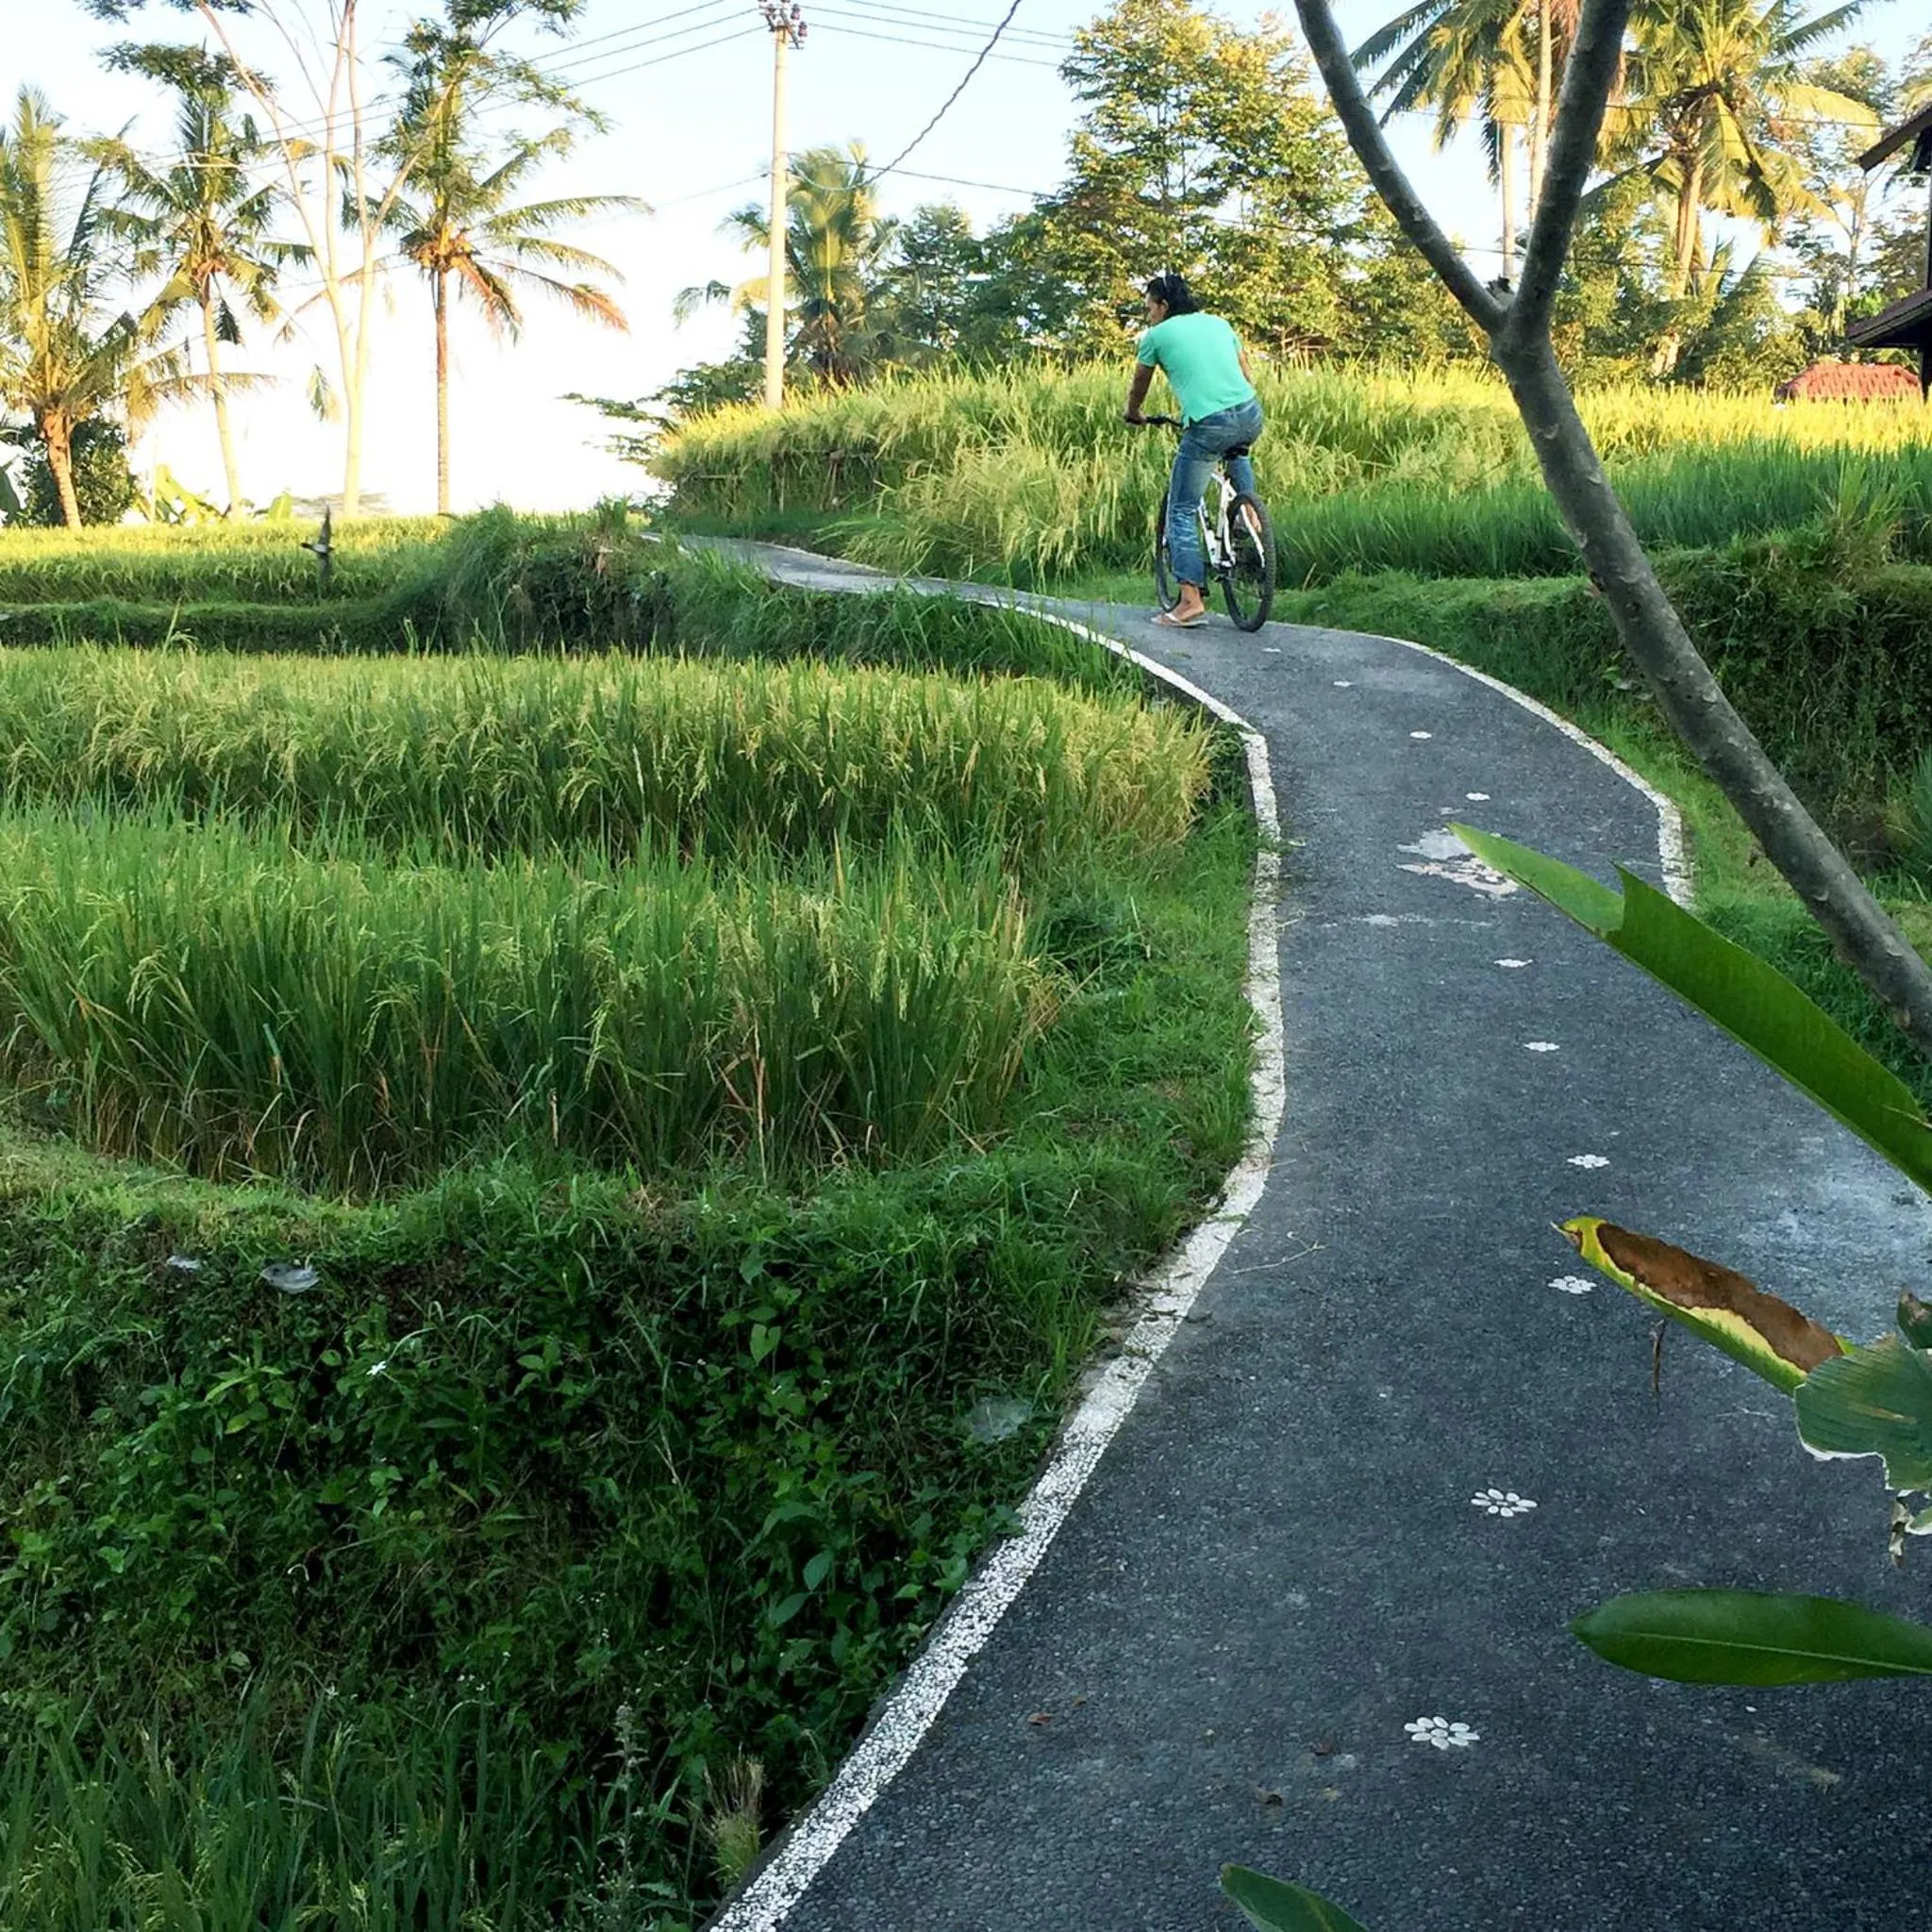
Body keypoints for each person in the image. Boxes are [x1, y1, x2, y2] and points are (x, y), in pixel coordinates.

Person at [1124, 273, 1263, 628]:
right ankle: (1248, 516)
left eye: (1149, 309)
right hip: (1249, 412)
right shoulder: (1218, 323)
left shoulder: (1155, 336)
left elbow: (1141, 382)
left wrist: (1134, 412)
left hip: (1207, 423)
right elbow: (1246, 373)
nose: (1148, 316)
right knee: (1238, 453)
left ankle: (1189, 602)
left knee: (1182, 508)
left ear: (1163, 306)